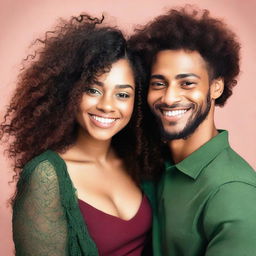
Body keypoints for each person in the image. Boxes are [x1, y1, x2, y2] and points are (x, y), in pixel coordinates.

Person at [0, 14, 153, 256]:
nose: (107, 105)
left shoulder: (136, 160)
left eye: (122, 94)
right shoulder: (46, 175)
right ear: (71, 91)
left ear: (137, 102)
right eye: (93, 90)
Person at [128, 6, 256, 256]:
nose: (169, 97)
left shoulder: (234, 192)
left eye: (187, 83)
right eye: (159, 83)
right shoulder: (152, 160)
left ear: (216, 87)